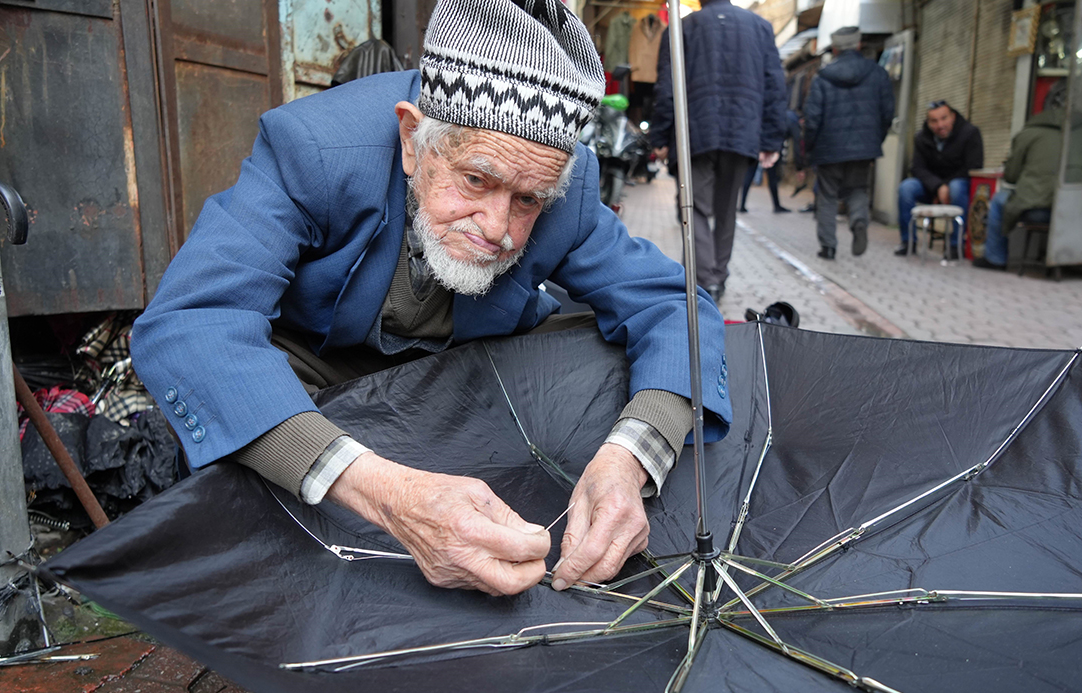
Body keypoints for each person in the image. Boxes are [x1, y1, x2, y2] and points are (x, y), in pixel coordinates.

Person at [130, 0, 732, 598]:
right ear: (413, 138)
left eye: (527, 201)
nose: (497, 227)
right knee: (252, 473)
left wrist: (629, 462)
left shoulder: (563, 193)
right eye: (476, 180)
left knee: (610, 357)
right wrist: (383, 492)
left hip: (460, 380)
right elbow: (192, 323)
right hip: (318, 376)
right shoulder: (312, 150)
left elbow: (674, 307)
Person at [650, 0, 786, 302]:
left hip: (696, 131)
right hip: (743, 130)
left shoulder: (682, 28)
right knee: (727, 210)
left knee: (694, 206)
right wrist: (771, 139)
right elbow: (775, 84)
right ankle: (717, 278)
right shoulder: (760, 27)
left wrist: (659, 134)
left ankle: (704, 279)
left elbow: (667, 85)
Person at [974, 83, 1082, 269]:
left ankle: (996, 259)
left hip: (1038, 211)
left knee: (998, 201)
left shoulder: (1029, 133)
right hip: (1079, 210)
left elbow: (1011, 176)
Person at [802, 26, 894, 259]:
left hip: (829, 148)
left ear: (834, 48)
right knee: (858, 189)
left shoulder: (823, 77)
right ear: (859, 45)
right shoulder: (878, 73)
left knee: (827, 196)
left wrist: (810, 149)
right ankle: (859, 221)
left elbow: (812, 119)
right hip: (864, 148)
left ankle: (828, 246)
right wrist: (875, 141)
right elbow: (887, 113)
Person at [897, 100, 984, 255]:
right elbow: (917, 168)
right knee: (906, 188)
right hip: (931, 187)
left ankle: (956, 245)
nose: (940, 125)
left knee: (957, 187)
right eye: (934, 121)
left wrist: (946, 186)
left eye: (944, 118)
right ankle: (908, 242)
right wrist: (938, 187)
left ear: (953, 116)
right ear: (928, 122)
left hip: (959, 187)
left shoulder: (970, 133)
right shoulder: (921, 137)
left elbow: (973, 167)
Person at [739, 107, 799, 214]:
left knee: (749, 174)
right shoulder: (792, 120)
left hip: (757, 144)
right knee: (772, 178)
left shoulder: (770, 112)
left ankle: (742, 205)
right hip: (771, 147)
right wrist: (800, 166)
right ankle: (776, 205)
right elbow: (797, 142)